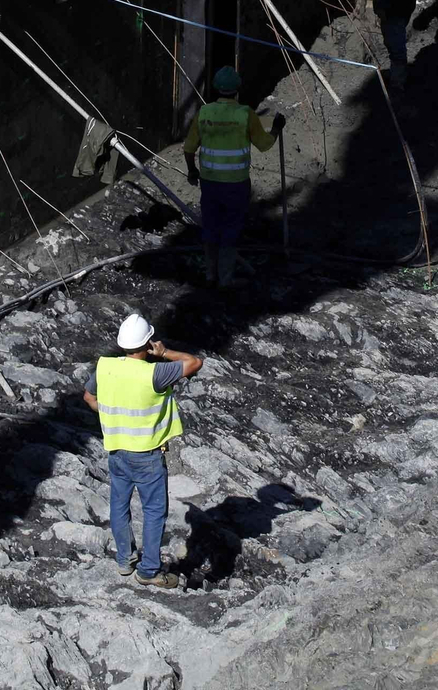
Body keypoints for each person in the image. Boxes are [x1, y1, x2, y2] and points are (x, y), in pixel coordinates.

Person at [81, 313, 202, 588]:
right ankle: (148, 571)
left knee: (120, 506)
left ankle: (125, 560)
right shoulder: (155, 373)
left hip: (116, 451)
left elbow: (89, 397)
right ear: (148, 342)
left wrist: (114, 415)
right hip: (146, 454)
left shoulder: (106, 367)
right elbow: (195, 362)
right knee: (154, 512)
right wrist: (164, 352)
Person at [182, 67, 283, 286]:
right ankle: (225, 279)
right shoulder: (245, 114)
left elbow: (188, 148)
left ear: (216, 89)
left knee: (210, 227)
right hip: (236, 185)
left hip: (210, 184)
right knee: (231, 228)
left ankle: (210, 275)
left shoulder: (204, 113)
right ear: (237, 90)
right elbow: (264, 145)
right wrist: (276, 128)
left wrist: (192, 170)